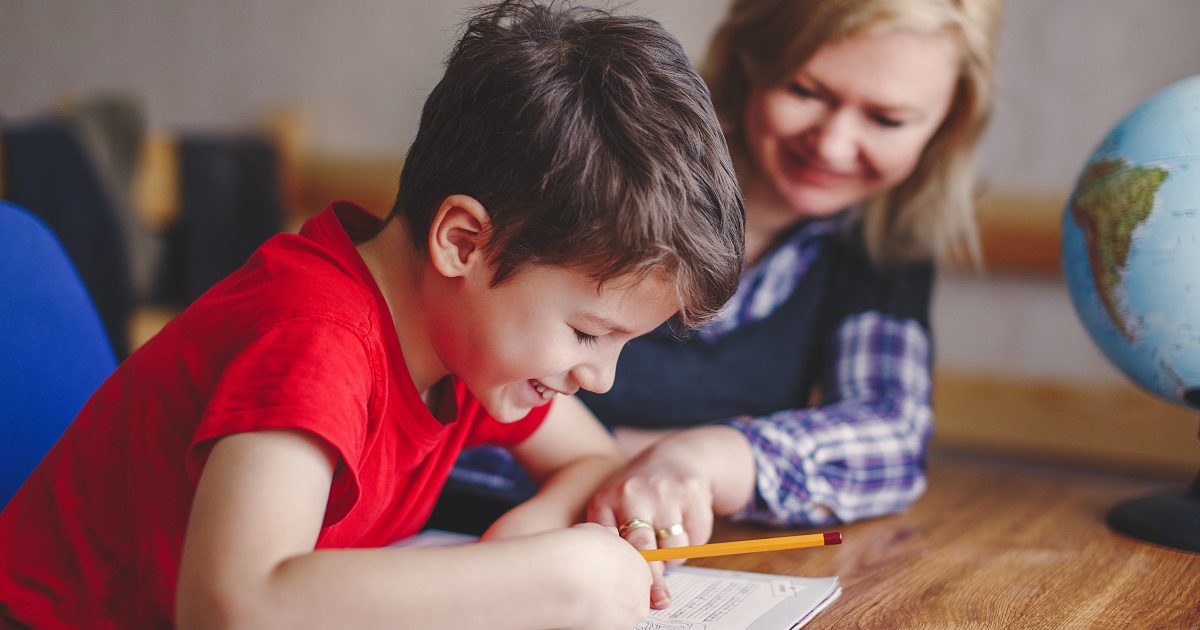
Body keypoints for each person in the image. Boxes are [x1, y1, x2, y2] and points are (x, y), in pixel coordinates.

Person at [0, 1, 745, 627]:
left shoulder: (462, 341)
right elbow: (230, 606)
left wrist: (527, 536)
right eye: (587, 332)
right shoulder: (317, 338)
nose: (603, 377)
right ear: (463, 243)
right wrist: (547, 582)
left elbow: (590, 459)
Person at [578, 0, 1003, 608]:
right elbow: (462, 406)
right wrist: (611, 458)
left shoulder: (883, 244)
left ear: (946, 125)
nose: (832, 145)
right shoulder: (614, 165)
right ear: (751, 60)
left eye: (887, 119)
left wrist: (703, 457)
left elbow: (891, 434)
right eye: (806, 90)